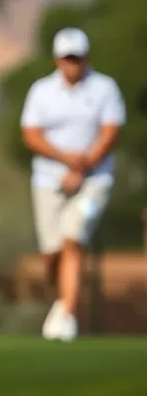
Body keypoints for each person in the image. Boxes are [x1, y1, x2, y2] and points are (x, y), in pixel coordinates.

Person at [20, 28, 124, 341]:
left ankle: (67, 314)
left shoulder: (104, 88)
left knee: (72, 238)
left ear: (86, 57)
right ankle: (61, 299)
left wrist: (84, 166)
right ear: (57, 60)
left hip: (94, 183)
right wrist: (66, 160)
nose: (72, 64)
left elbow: (110, 131)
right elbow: (31, 134)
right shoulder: (41, 91)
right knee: (52, 252)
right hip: (48, 182)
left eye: (77, 58)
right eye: (67, 59)